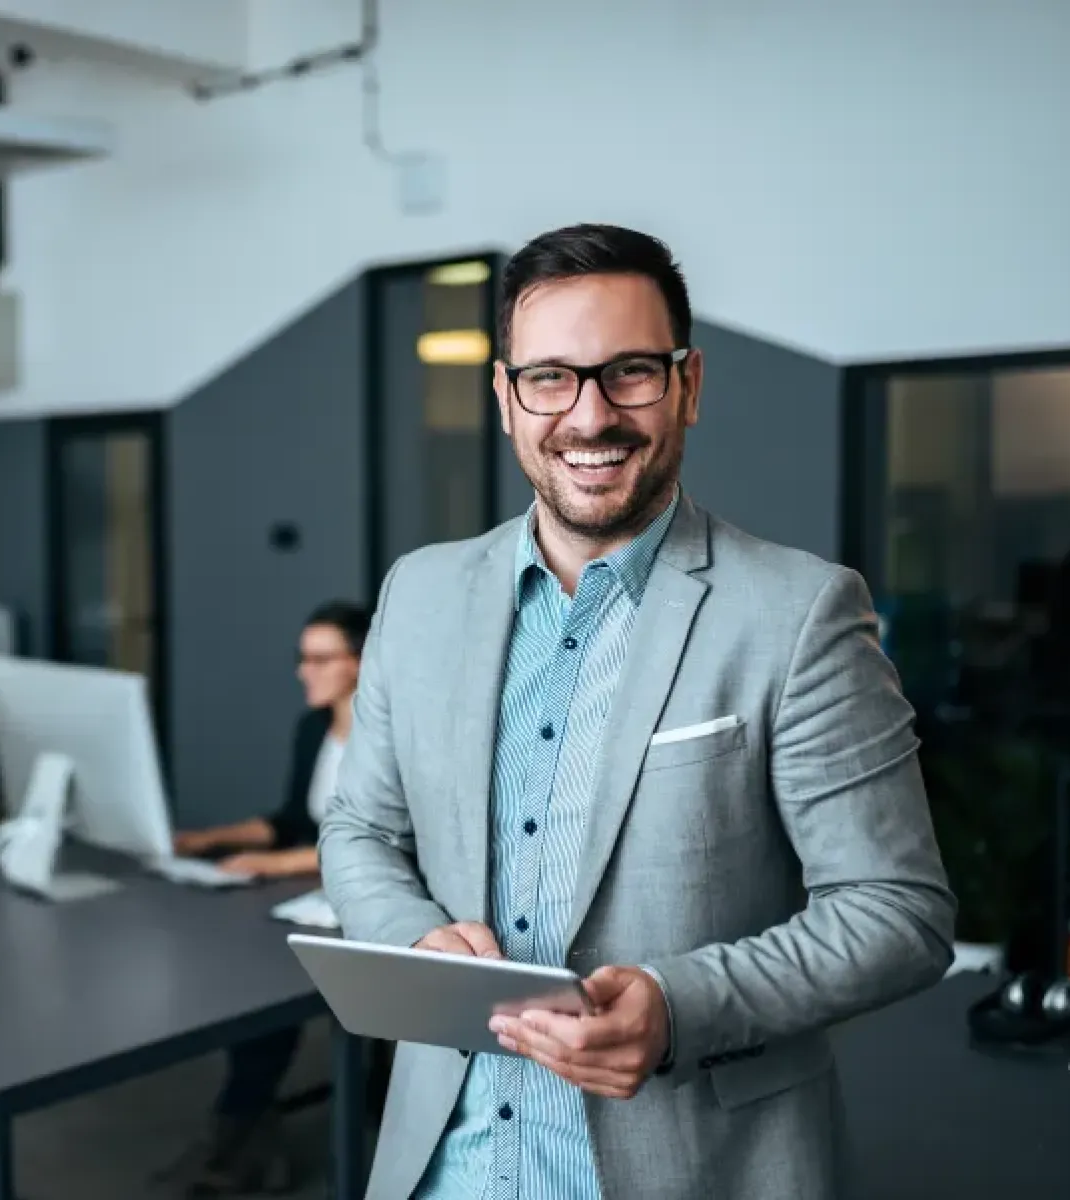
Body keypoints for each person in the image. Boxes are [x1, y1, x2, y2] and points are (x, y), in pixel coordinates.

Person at [318, 223, 957, 1200]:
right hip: (442, 1167)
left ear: (688, 385)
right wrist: (411, 937)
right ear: (504, 397)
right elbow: (360, 826)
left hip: (692, 1171)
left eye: (628, 373)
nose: (588, 415)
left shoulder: (797, 613)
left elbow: (896, 912)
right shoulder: (420, 592)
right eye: (550, 379)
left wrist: (676, 1004)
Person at [161, 600, 371, 1196]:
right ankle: (243, 1131)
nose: (304, 671)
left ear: (359, 663)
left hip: (361, 899)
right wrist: (212, 837)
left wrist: (272, 863)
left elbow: (379, 839)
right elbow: (289, 820)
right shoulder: (313, 730)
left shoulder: (389, 736)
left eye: (319, 659)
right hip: (308, 894)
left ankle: (235, 1140)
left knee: (268, 989)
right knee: (241, 968)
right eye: (301, 658)